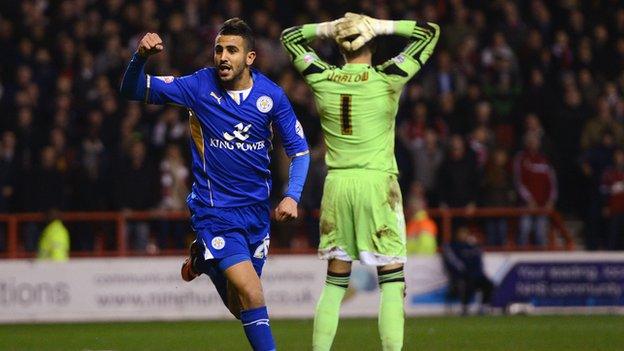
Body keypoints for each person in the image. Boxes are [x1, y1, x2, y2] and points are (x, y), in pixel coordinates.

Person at [120, 18, 310, 351]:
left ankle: (206, 264)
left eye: (232, 51)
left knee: (242, 307)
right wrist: (140, 57)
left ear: (249, 58)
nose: (223, 56)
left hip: (256, 217)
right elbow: (131, 89)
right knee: (253, 293)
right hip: (216, 213)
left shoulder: (271, 97)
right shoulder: (198, 87)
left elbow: (300, 152)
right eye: (219, 49)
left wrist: (292, 196)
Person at [281, 13, 440, 351]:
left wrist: (327, 28)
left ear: (339, 48)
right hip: (377, 185)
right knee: (392, 283)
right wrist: (381, 24)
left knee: (335, 283)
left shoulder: (322, 78)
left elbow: (289, 37)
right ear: (374, 44)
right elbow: (430, 33)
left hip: (337, 185)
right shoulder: (387, 78)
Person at [442, 227, 494, 315]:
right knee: (468, 284)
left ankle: (483, 307)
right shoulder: (453, 246)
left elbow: (479, 259)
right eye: (461, 233)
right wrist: (463, 271)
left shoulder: (473, 246)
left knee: (489, 285)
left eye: (465, 233)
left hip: (477, 274)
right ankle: (465, 307)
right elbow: (453, 262)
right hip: (464, 274)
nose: (463, 236)